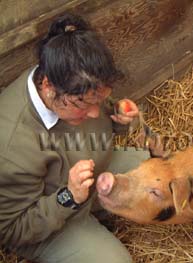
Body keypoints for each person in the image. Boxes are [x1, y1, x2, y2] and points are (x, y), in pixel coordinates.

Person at [0, 13, 152, 263]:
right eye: (83, 104)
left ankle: (100, 211)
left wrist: (118, 117)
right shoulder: (9, 146)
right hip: (53, 217)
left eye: (100, 101)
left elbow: (95, 112)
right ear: (48, 86)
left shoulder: (70, 79)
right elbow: (13, 230)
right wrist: (68, 197)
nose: (94, 113)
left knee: (165, 170)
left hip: (94, 170)